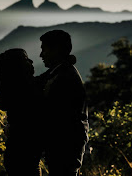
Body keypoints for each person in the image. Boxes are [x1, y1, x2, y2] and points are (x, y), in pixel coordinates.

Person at [37, 30, 89, 176]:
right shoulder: (59, 72)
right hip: (66, 151)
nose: (41, 55)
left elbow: (56, 117)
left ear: (56, 50)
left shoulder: (64, 78)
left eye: (44, 49)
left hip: (65, 151)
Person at [0, 48, 42, 176]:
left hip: (17, 155)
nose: (31, 61)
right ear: (18, 66)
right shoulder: (27, 88)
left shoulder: (13, 88)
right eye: (26, 59)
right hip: (24, 157)